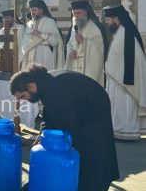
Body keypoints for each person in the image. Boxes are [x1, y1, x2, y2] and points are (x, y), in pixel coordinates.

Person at [10, 63, 119, 191]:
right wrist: (41, 135)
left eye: (23, 96)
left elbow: (67, 125)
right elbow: (49, 115)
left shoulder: (52, 88)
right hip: (82, 107)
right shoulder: (44, 84)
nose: (24, 100)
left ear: (30, 86)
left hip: (93, 108)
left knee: (92, 150)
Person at [20, 0, 64, 129]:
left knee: (42, 84)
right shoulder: (29, 23)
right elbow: (25, 41)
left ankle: (45, 112)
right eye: (31, 10)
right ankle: (32, 113)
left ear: (41, 9)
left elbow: (56, 42)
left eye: (34, 10)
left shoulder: (49, 22)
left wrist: (41, 35)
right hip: (30, 58)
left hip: (44, 56)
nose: (32, 12)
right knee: (30, 84)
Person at [104, 5, 146, 140]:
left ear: (116, 19)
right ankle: (118, 129)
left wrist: (108, 66)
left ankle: (127, 131)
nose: (107, 23)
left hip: (124, 79)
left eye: (109, 20)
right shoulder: (121, 32)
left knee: (125, 104)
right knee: (117, 104)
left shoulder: (126, 33)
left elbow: (124, 57)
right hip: (117, 77)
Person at [65, 1, 108, 86]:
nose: (76, 16)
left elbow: (101, 49)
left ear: (86, 12)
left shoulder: (95, 27)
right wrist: (70, 51)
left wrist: (84, 42)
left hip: (90, 69)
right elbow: (69, 44)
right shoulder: (74, 28)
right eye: (74, 14)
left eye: (78, 13)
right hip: (75, 67)